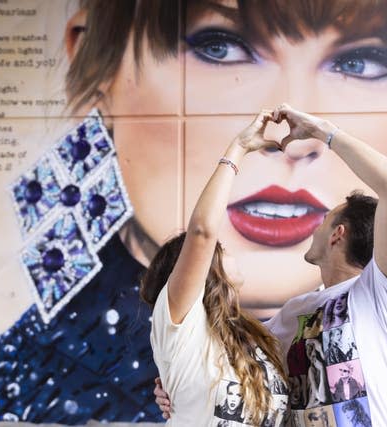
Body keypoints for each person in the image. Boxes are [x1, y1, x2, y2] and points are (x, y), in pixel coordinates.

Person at [0, 0, 387, 422]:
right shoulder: (287, 319)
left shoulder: (379, 296)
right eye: (220, 45)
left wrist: (319, 129)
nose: (293, 149)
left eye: (362, 61)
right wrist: (184, 386)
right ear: (97, 64)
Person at [156, 103, 387, 426]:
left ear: (338, 234)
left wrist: (322, 132)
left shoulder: (382, 296)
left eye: (324, 220)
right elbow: (223, 362)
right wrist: (173, 388)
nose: (315, 227)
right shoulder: (293, 314)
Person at [140, 110, 289, 426]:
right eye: (220, 251)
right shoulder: (180, 325)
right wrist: (238, 148)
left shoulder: (253, 337)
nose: (227, 252)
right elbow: (202, 232)